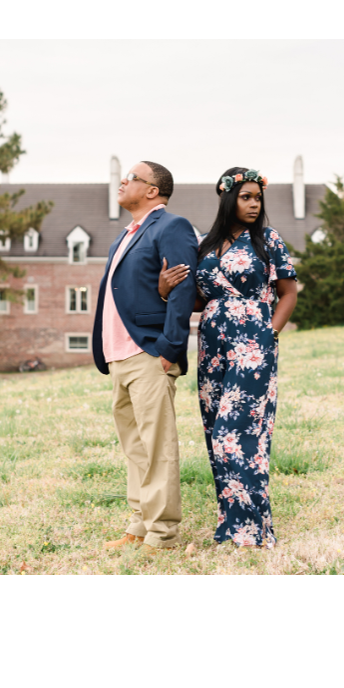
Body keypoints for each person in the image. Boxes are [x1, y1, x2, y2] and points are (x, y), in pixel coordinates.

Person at [159, 168, 297, 548]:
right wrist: (164, 289)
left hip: (253, 343)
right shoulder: (204, 245)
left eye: (258, 198)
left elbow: (288, 293)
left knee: (235, 435)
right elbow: (197, 300)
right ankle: (232, 526)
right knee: (214, 434)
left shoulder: (267, 239)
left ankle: (253, 531)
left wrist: (269, 334)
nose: (254, 204)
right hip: (212, 344)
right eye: (246, 197)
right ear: (228, 199)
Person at [93, 161, 198, 553]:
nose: (123, 181)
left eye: (132, 177)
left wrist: (169, 347)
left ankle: (162, 534)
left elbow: (184, 289)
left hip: (149, 353)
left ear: (152, 190)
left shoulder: (172, 227)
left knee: (157, 448)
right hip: (118, 356)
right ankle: (139, 526)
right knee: (135, 448)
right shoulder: (125, 235)